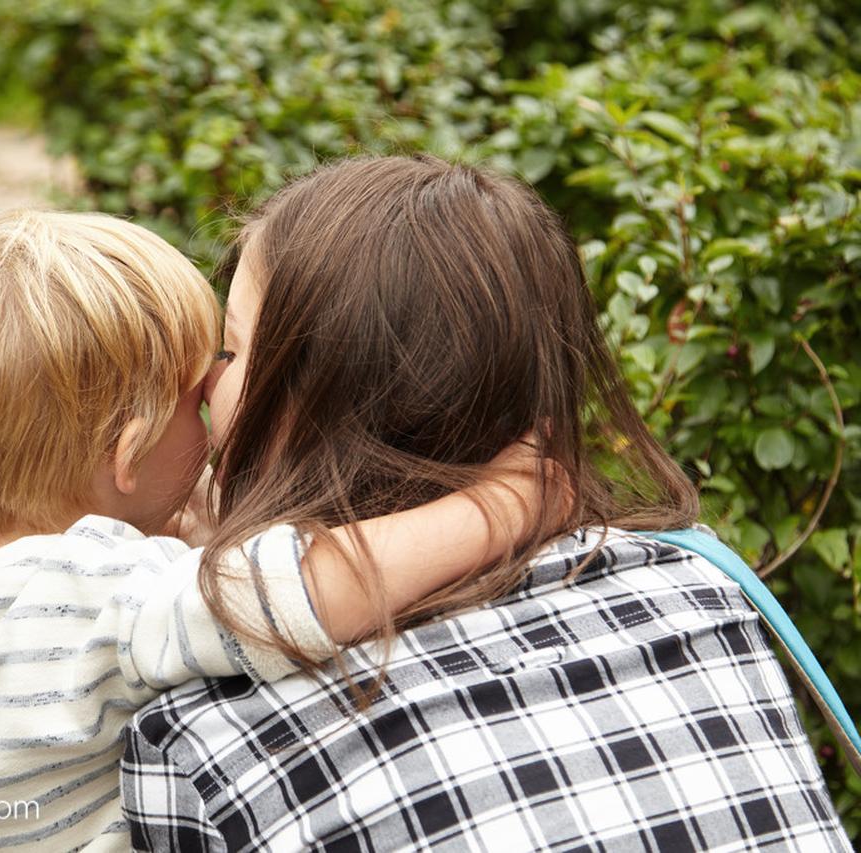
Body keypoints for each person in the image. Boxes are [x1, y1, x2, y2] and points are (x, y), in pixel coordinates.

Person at [121, 156, 851, 850]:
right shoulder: (700, 588)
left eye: (230, 348)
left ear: (325, 399)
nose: (206, 384)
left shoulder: (206, 733)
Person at [0, 210, 557, 851]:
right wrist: (508, 503)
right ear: (127, 454)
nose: (216, 397)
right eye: (197, 393)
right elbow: (294, 593)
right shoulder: (97, 593)